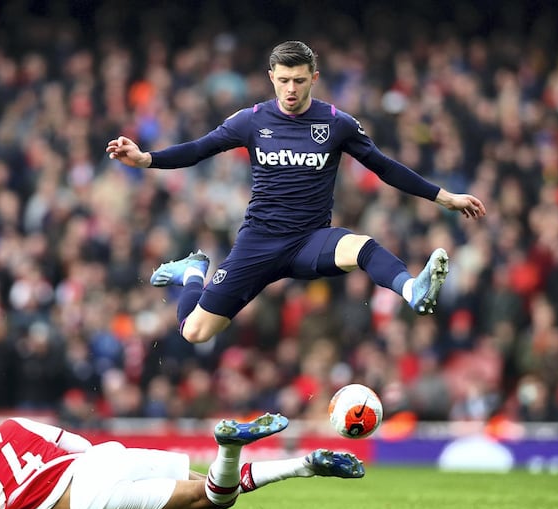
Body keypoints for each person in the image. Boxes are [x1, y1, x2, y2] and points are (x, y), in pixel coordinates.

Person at [106, 40, 486, 344]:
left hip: (309, 240)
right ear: (271, 77)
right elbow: (198, 149)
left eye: (299, 81)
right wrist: (145, 159)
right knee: (194, 332)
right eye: (284, 80)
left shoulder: (337, 124)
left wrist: (445, 197)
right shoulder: (250, 121)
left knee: (363, 247)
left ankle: (411, 291)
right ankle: (193, 271)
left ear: (314, 78)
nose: (291, 89)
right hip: (258, 243)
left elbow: (384, 168)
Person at [0, 408, 365, 509]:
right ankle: (304, 464)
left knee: (213, 499)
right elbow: (74, 442)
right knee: (206, 483)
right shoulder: (12, 426)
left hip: (84, 500)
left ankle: (230, 448)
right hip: (99, 460)